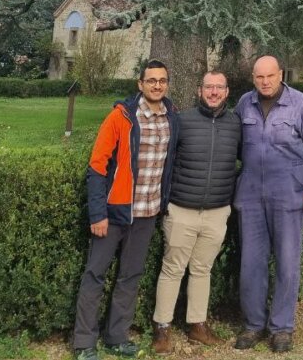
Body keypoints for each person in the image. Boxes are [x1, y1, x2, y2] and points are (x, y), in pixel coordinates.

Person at [73, 60, 179, 360]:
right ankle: (84, 343)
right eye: (151, 80)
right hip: (114, 211)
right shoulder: (121, 117)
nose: (157, 85)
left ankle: (116, 337)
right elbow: (97, 166)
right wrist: (98, 213)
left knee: (130, 276)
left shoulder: (172, 117)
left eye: (162, 80)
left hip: (147, 213)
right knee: (95, 274)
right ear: (140, 84)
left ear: (167, 84)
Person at [232, 56, 303, 354]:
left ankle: (282, 328)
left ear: (280, 74)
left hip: (289, 195)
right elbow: (233, 146)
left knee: (287, 263)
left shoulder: (300, 104)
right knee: (251, 264)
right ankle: (253, 324)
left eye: (270, 76)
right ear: (253, 77)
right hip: (250, 196)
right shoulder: (244, 104)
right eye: (259, 77)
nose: (265, 82)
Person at [150, 70, 242, 354]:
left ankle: (197, 326)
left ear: (226, 92)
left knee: (203, 269)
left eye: (219, 87)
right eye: (208, 87)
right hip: (182, 209)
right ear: (199, 90)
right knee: (172, 269)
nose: (213, 92)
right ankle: (162, 328)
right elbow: (165, 162)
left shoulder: (236, 124)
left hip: (217, 211)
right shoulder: (182, 120)